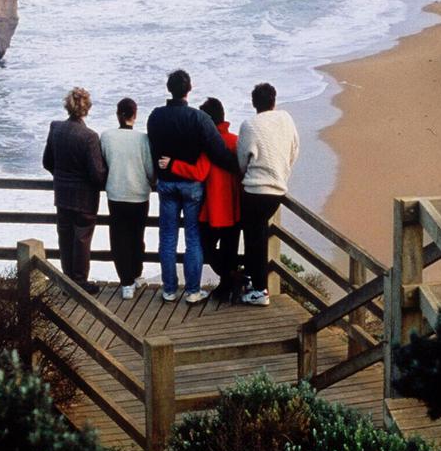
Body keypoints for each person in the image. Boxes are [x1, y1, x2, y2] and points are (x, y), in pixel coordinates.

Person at [147, 69, 237, 304]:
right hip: (192, 186)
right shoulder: (198, 118)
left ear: (169, 88)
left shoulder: (155, 116)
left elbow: (153, 148)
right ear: (189, 88)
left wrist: (162, 170)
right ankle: (193, 291)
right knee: (193, 238)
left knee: (167, 237)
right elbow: (217, 152)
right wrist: (238, 167)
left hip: (166, 183)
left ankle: (168, 289)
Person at [237, 82, 299, 306]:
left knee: (253, 239)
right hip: (277, 189)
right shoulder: (286, 119)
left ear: (254, 104)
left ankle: (259, 290)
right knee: (260, 235)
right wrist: (282, 172)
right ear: (274, 100)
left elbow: (242, 160)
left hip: (254, 190)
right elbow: (294, 149)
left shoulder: (249, 125)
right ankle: (258, 286)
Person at [42, 87, 107, 294]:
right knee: (81, 239)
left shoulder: (56, 128)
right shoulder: (89, 137)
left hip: (62, 194)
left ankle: (67, 281)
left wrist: (62, 177)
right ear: (86, 109)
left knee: (65, 236)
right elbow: (97, 174)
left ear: (67, 106)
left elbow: (47, 162)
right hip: (84, 198)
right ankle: (79, 282)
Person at [101, 97, 154, 300]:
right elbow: (150, 169)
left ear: (118, 114)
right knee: (136, 237)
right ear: (135, 115)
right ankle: (136, 274)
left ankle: (126, 283)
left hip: (116, 193)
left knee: (119, 239)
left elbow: (103, 165)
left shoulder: (106, 137)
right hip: (139, 194)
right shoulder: (143, 139)